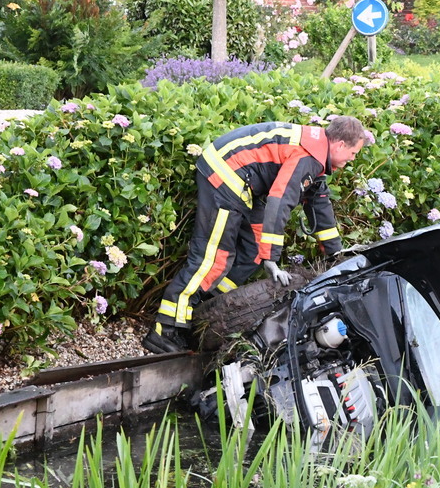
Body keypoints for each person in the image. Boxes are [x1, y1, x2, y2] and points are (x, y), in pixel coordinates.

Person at [142, 116, 367, 354]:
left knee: (255, 251)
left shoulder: (316, 155)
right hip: (227, 174)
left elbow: (320, 208)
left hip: (243, 180)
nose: (353, 159)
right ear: (340, 144)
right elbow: (280, 202)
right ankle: (165, 328)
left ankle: (206, 309)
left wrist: (336, 256)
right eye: (353, 153)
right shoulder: (308, 155)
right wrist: (272, 258)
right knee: (213, 257)